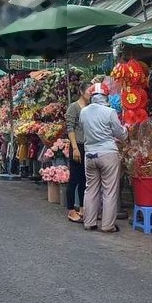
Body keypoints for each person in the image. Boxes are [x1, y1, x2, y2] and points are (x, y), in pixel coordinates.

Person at [80, 82, 127, 233]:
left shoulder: (84, 112)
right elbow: (120, 133)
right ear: (106, 96)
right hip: (108, 153)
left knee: (91, 189)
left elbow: (83, 129)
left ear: (92, 96)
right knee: (109, 190)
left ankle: (89, 222)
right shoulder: (110, 112)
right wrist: (126, 130)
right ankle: (107, 225)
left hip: (90, 154)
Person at [65, 82, 91, 223]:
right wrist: (75, 148)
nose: (91, 93)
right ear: (82, 91)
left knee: (84, 180)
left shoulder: (90, 108)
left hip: (87, 146)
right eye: (89, 90)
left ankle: (82, 208)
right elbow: (70, 128)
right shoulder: (74, 107)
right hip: (77, 146)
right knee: (74, 179)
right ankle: (70, 210)